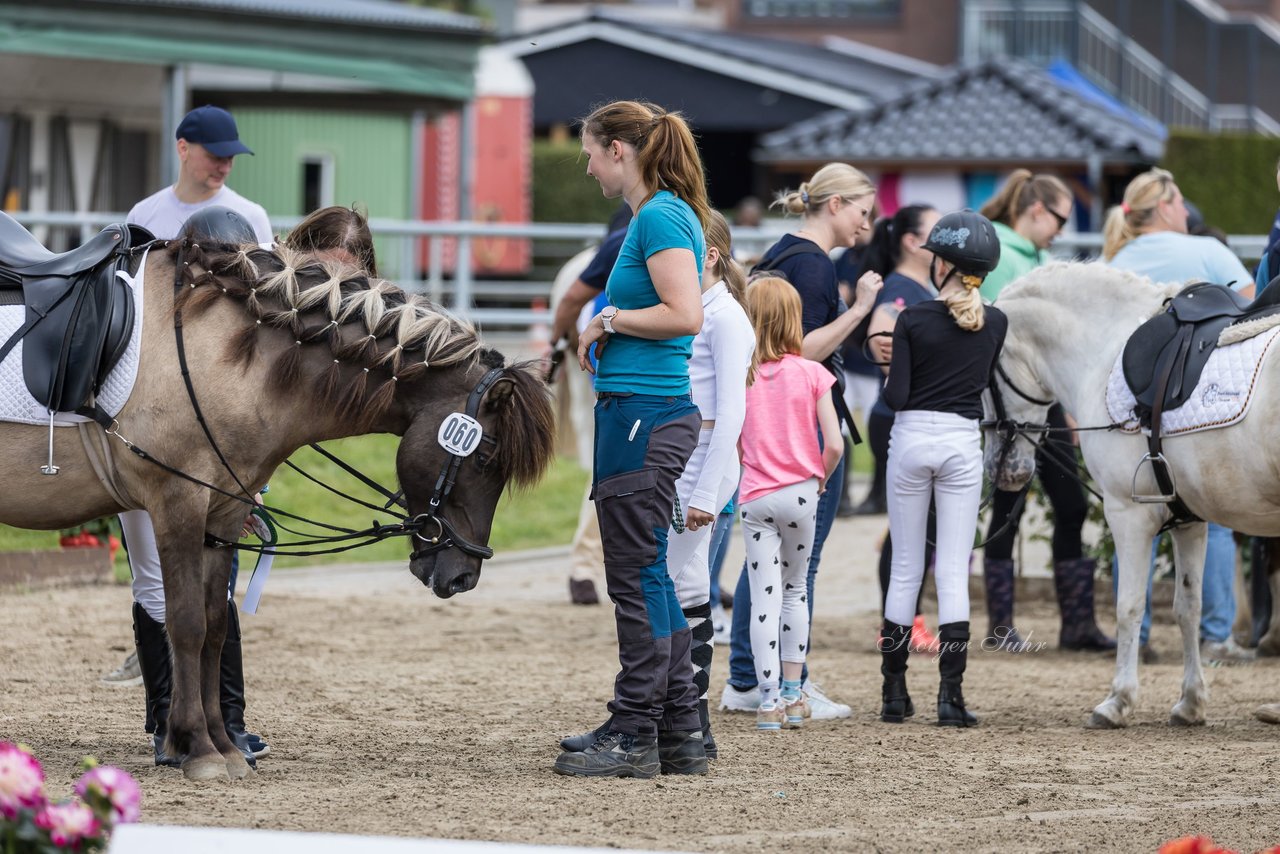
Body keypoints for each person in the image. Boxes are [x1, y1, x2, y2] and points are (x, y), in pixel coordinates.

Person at [554, 100, 711, 779]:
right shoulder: (661, 216)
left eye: (590, 151)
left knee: (636, 574)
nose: (587, 166)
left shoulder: (659, 215)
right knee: (648, 572)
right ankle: (677, 729)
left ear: (620, 149)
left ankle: (635, 732)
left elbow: (685, 314)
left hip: (645, 413)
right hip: (640, 411)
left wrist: (609, 318)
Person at [559, 210, 752, 761]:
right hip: (684, 457)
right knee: (682, 586)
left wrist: (707, 494)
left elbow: (733, 414)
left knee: (656, 581)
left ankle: (669, 718)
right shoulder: (701, 309)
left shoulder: (726, 318)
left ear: (707, 257)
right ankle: (687, 725)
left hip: (700, 463)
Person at [720, 162, 882, 720]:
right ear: (835, 205)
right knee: (796, 575)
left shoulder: (784, 255)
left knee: (765, 566)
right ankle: (785, 684)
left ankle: (751, 677)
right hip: (804, 435)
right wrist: (859, 310)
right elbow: (799, 350)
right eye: (864, 211)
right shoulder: (811, 267)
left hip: (766, 440)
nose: (867, 225)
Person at [1103, 167, 1255, 664]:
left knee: (1131, 514)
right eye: (1182, 201)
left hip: (1134, 405)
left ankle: (1138, 634)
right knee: (1217, 512)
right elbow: (1250, 306)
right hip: (1205, 400)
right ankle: (1216, 635)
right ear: (1167, 206)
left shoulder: (1119, 258)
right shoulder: (1207, 252)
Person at [976, 170, 1115, 653]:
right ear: (1036, 210)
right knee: (1009, 507)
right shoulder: (1001, 257)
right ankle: (1001, 628)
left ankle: (1075, 625)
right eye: (1059, 217)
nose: (1062, 228)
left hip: (1048, 402)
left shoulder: (1036, 257)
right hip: (1012, 405)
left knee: (1071, 505)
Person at [879, 209, 1007, 728]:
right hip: (960, 441)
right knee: (951, 570)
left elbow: (897, 395)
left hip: (911, 438)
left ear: (943, 265)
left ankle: (893, 694)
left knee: (906, 567)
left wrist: (886, 355)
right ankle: (950, 698)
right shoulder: (996, 321)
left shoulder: (911, 318)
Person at [737, 276, 843, 731]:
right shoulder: (814, 374)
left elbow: (735, 441)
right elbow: (835, 444)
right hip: (802, 492)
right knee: (796, 590)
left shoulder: (741, 376)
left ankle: (766, 704)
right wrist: (819, 477)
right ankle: (795, 694)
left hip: (757, 495)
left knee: (765, 595)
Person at [861, 204, 943, 653]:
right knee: (910, 528)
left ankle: (904, 619)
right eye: (937, 231)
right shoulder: (900, 287)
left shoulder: (918, 287)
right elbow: (879, 341)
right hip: (896, 420)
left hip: (906, 419)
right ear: (913, 242)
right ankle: (900, 623)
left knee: (913, 527)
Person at [551, 204, 634, 606]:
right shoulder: (622, 240)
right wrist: (560, 345)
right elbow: (571, 299)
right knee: (611, 462)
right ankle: (584, 565)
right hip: (613, 363)